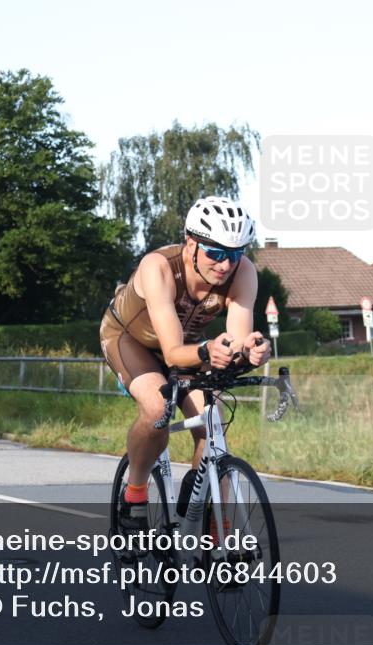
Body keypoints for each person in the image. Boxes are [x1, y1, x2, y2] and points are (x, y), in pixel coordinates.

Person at [100, 196, 271, 530]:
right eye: (216, 253)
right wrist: (208, 350)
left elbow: (237, 341)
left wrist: (251, 352)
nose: (225, 265)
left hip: (188, 345)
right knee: (156, 408)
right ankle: (134, 494)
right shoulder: (159, 267)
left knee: (213, 420)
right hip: (129, 339)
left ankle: (208, 517)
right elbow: (172, 353)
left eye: (235, 254)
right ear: (191, 243)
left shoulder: (244, 272)